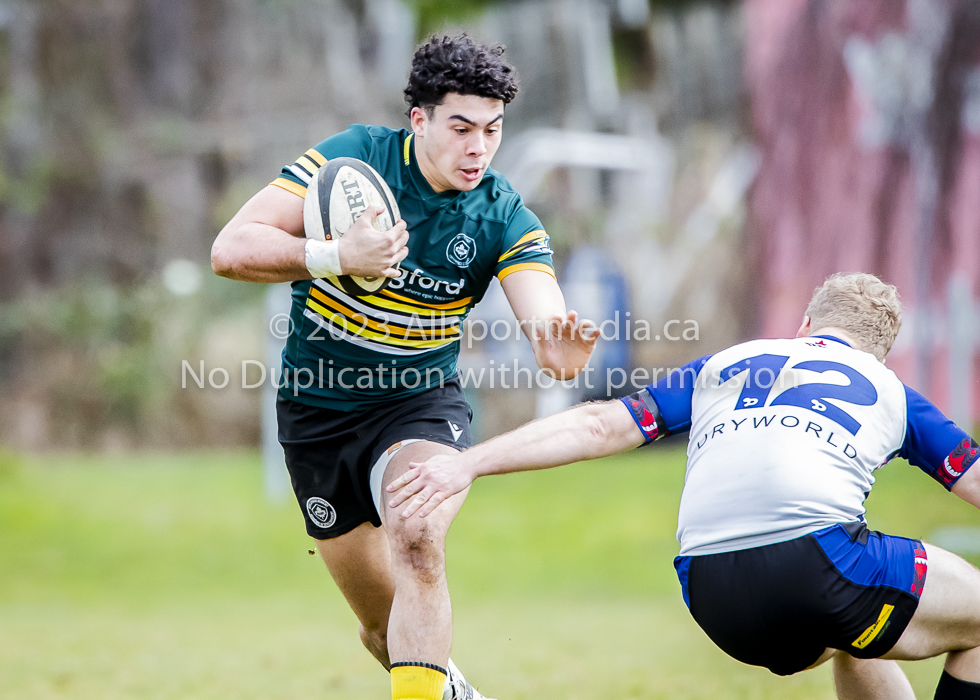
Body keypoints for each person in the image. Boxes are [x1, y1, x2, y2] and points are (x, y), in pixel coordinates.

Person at [211, 34, 597, 700]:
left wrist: (559, 353)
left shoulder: (503, 215)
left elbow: (546, 322)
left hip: (418, 404)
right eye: (462, 128)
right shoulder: (352, 160)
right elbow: (230, 248)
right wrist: (334, 255)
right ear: (418, 120)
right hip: (317, 412)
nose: (479, 147)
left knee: (417, 537)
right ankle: (451, 691)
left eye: (493, 130)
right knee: (378, 626)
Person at [388, 272, 980, 700]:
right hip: (815, 569)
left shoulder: (723, 364)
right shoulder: (891, 389)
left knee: (857, 638)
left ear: (804, 326)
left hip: (711, 593)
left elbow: (598, 423)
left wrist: (467, 463)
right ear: (881, 353)